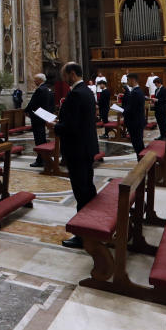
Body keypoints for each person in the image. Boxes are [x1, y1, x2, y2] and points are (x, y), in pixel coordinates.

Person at [53, 62, 100, 248]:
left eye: (64, 75)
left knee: (81, 191)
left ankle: (83, 235)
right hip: (87, 147)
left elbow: (70, 127)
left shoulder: (75, 94)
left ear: (72, 74)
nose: (62, 78)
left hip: (77, 149)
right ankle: (92, 225)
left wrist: (55, 126)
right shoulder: (87, 92)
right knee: (87, 188)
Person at [24, 73, 54, 168]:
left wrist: (27, 111)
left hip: (38, 117)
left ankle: (41, 160)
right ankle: (44, 157)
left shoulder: (40, 90)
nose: (34, 81)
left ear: (40, 80)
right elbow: (51, 104)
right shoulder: (48, 89)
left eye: (35, 79)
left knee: (39, 139)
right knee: (42, 138)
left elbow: (33, 103)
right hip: (44, 117)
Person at [123, 73, 146, 155]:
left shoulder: (135, 92)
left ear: (133, 80)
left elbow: (131, 109)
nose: (127, 82)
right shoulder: (138, 90)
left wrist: (123, 111)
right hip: (138, 122)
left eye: (128, 80)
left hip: (135, 123)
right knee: (139, 144)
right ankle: (142, 163)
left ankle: (142, 164)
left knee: (138, 145)